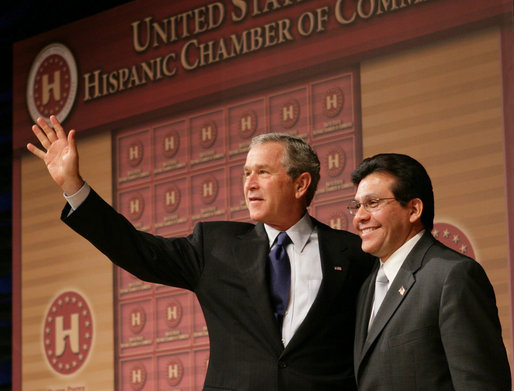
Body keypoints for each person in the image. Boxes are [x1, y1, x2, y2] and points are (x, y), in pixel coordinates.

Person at [27, 115, 374, 391]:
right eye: (246, 173)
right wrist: (73, 187)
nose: (249, 183)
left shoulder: (352, 255)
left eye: (263, 173)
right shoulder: (216, 245)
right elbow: (137, 251)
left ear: (301, 184)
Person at [349, 153, 511, 391]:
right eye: (356, 206)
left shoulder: (453, 276)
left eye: (373, 203)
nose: (359, 217)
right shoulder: (368, 286)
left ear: (413, 209)